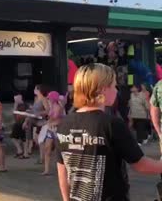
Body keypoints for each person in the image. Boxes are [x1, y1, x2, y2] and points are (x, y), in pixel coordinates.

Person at [57, 63, 162, 201]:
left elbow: (63, 172)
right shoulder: (112, 124)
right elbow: (141, 165)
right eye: (113, 85)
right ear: (102, 89)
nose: (116, 90)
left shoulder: (64, 124)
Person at [41, 91, 64, 176]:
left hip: (57, 130)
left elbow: (59, 120)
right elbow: (50, 118)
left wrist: (50, 122)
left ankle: (60, 168)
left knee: (58, 150)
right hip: (51, 129)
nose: (49, 99)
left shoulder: (58, 107)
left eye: (50, 98)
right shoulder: (52, 107)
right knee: (47, 149)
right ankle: (46, 169)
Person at [32, 84, 50, 165]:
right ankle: (42, 156)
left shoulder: (43, 99)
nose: (34, 90)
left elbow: (47, 110)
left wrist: (39, 113)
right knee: (36, 139)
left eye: (35, 89)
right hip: (36, 121)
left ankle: (42, 157)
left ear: (39, 90)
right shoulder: (36, 99)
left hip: (42, 122)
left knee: (40, 140)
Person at [11, 94, 29, 159]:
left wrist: (26, 122)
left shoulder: (25, 105)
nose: (15, 100)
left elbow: (28, 114)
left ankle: (25, 153)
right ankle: (19, 150)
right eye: (15, 99)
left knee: (23, 138)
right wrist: (15, 104)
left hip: (23, 122)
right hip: (17, 122)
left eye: (16, 99)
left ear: (20, 98)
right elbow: (14, 113)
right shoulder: (16, 105)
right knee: (14, 137)